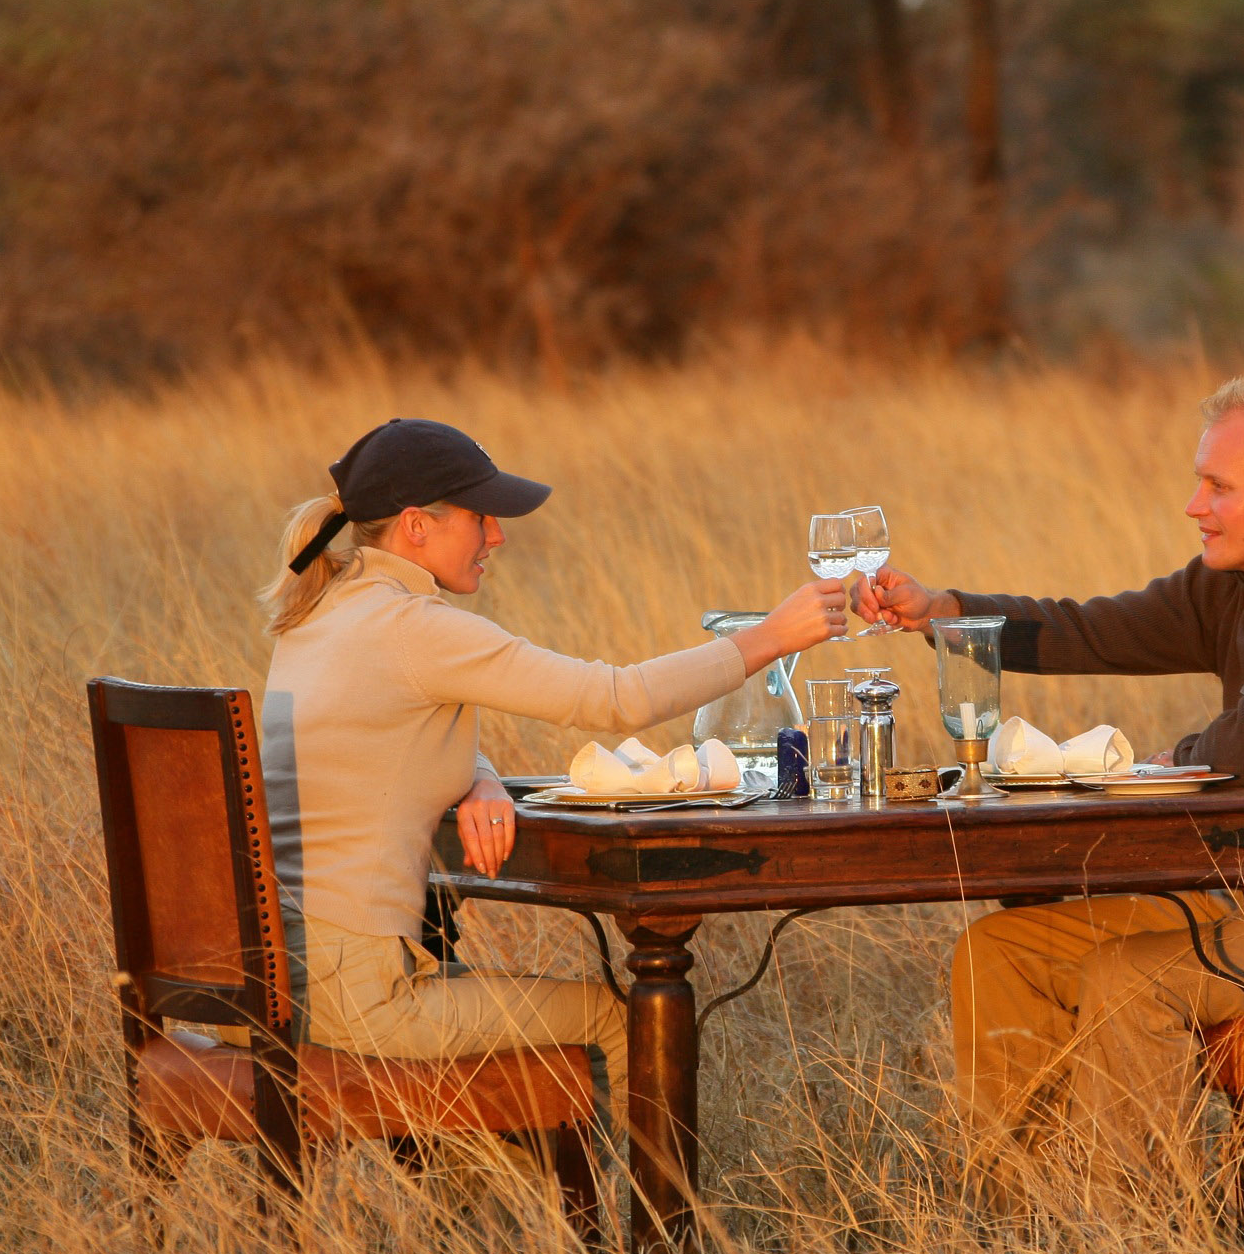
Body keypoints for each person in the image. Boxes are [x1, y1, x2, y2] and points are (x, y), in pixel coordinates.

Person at [854, 369, 1244, 1182]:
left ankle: (1129, 1236)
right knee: (1000, 951)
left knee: (1129, 980)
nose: (1195, 505)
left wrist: (1160, 764)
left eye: (1217, 486)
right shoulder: (1237, 589)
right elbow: (1092, 630)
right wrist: (948, 612)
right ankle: (1029, 1212)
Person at [258, 417, 846, 1128]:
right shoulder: (415, 628)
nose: (497, 537)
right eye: (482, 517)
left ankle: (501, 1233)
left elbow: (377, 727)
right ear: (416, 525)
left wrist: (477, 775)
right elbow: (612, 699)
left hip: (281, 976)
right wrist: (768, 640)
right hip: (362, 1000)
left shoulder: (324, 607)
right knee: (618, 1017)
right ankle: (659, 1235)